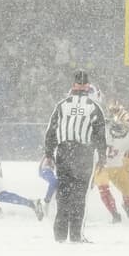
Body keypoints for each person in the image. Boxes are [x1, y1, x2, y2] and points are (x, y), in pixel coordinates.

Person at [43, 70, 107, 242]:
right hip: (83, 153)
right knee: (79, 196)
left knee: (63, 195)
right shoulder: (94, 107)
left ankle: (60, 235)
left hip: (64, 152)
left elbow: (51, 131)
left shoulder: (62, 105)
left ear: (73, 85)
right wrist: (102, 156)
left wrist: (49, 153)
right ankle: (76, 235)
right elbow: (100, 134)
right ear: (88, 87)